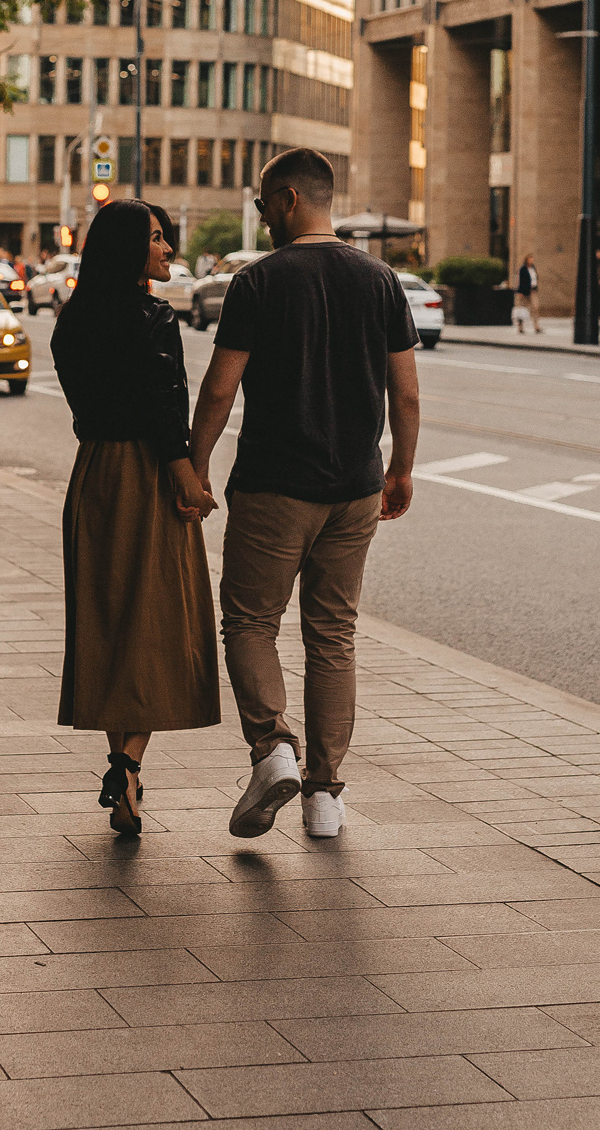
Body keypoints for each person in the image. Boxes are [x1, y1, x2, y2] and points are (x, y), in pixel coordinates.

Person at [189, 148, 420, 842]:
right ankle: (325, 796)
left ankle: (272, 748)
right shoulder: (379, 279)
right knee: (332, 635)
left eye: (263, 207)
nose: (262, 220)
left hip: (272, 486)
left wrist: (194, 466)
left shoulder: (257, 281)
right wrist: (400, 467)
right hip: (354, 486)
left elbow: (220, 387)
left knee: (251, 622)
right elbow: (403, 389)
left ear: (288, 199)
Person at [51, 199, 219, 837]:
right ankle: (127, 762)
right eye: (155, 239)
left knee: (108, 620)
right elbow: (161, 406)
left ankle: (124, 770)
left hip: (93, 475)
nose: (168, 250)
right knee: (152, 623)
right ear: (127, 249)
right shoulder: (153, 317)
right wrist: (186, 476)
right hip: (146, 476)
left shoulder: (71, 320)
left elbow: (85, 402)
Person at [515, 253, 541, 333]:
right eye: (530, 259)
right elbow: (520, 280)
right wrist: (521, 292)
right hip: (525, 291)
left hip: (533, 291)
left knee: (535, 308)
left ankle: (536, 326)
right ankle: (520, 327)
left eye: (532, 259)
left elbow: (535, 279)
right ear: (527, 260)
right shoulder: (523, 269)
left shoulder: (533, 268)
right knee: (523, 309)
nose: (531, 260)